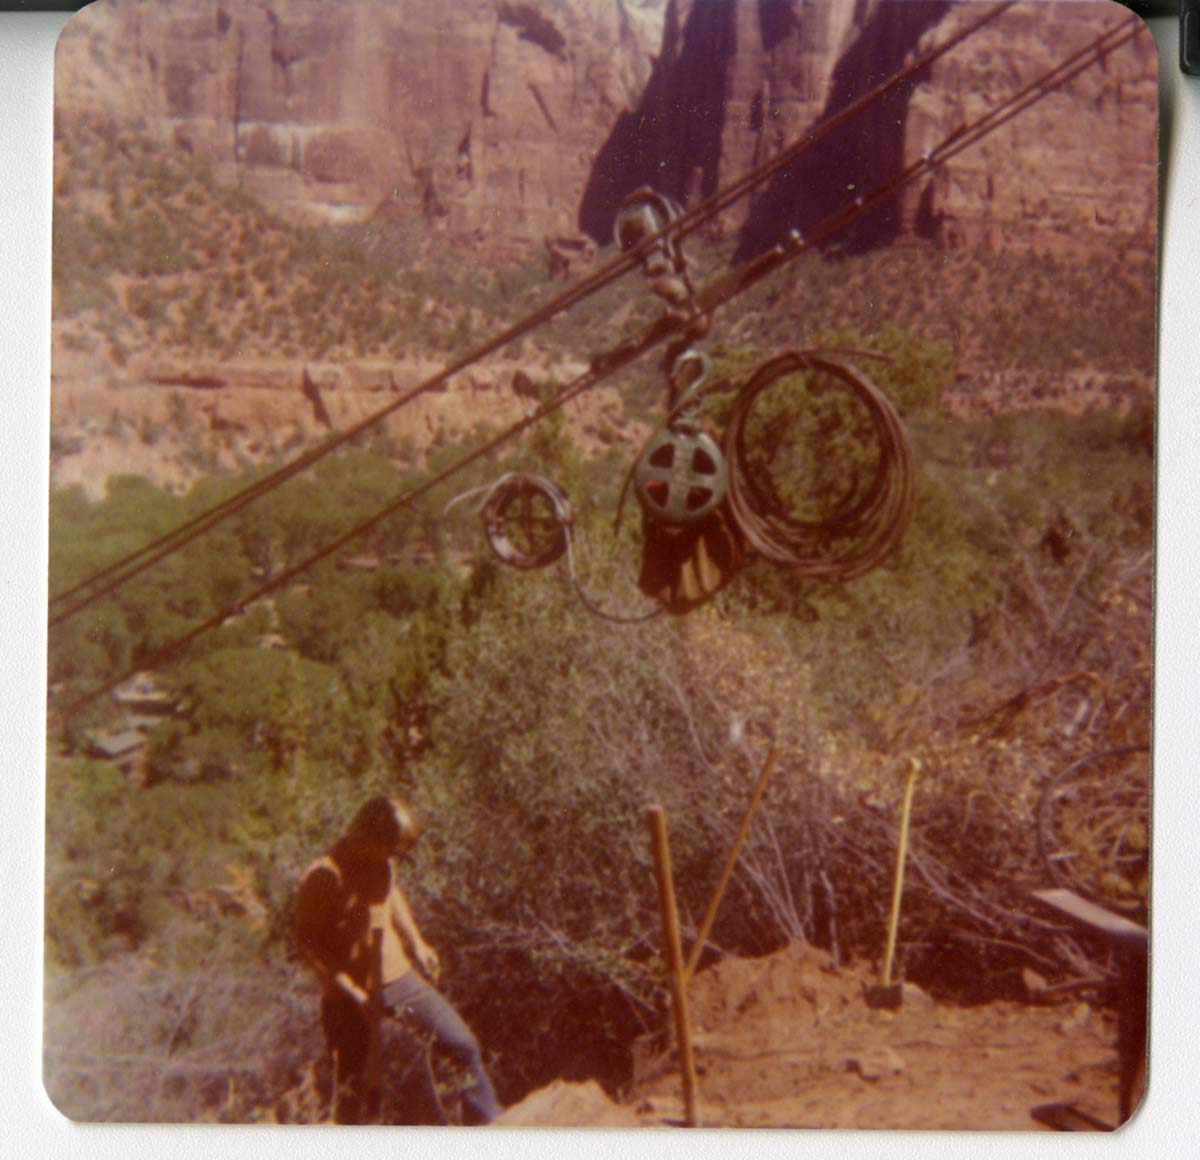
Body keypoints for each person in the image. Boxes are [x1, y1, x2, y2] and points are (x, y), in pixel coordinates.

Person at [294, 795, 502, 1125]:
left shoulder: (382, 861)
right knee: (352, 1094)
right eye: (393, 848)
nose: (396, 856)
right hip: (347, 1001)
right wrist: (354, 993)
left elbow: (389, 894)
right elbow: (309, 944)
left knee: (462, 1046)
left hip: (397, 981)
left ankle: (492, 1129)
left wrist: (416, 942)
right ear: (369, 836)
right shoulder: (323, 878)